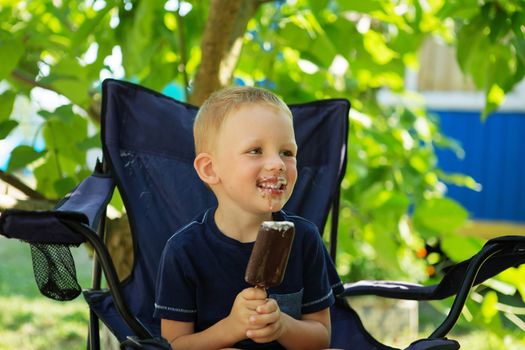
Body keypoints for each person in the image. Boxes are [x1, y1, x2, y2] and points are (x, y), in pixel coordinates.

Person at [154, 86, 344, 349]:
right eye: (255, 150)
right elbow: (173, 345)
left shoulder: (303, 239)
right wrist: (231, 329)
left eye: (287, 153)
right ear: (210, 169)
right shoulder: (184, 250)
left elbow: (321, 338)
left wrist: (282, 326)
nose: (277, 163)